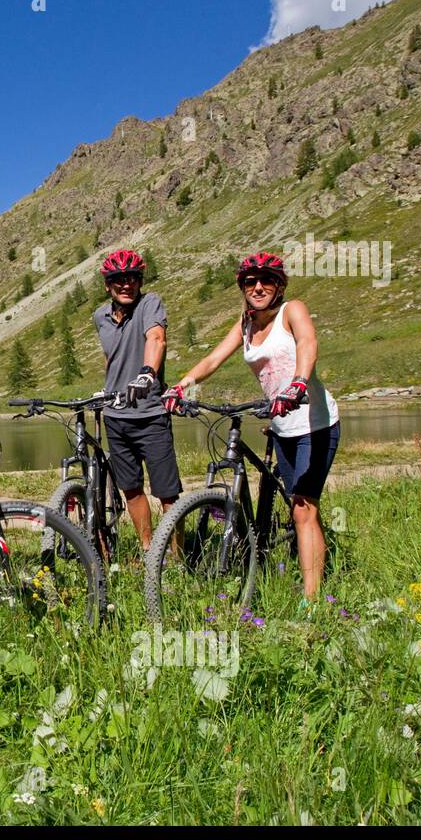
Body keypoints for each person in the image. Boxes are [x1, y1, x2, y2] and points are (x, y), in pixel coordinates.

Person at [162, 251, 340, 602]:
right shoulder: (245, 323)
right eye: (250, 282)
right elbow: (214, 358)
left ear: (279, 285)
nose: (258, 287)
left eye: (267, 280)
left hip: (315, 422)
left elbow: (308, 342)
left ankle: (312, 601)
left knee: (304, 507)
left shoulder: (293, 311)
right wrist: (182, 385)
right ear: (242, 288)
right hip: (281, 424)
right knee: (296, 504)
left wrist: (298, 383)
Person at [92, 249, 183, 558]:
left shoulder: (150, 304)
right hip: (115, 417)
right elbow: (111, 358)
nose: (126, 284)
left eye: (132, 278)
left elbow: (156, 338)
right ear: (108, 285)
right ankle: (149, 552)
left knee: (167, 493)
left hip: (150, 414)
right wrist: (106, 389)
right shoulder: (100, 316)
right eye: (118, 279)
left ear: (140, 280)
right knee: (130, 487)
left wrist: (147, 375)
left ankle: (177, 558)